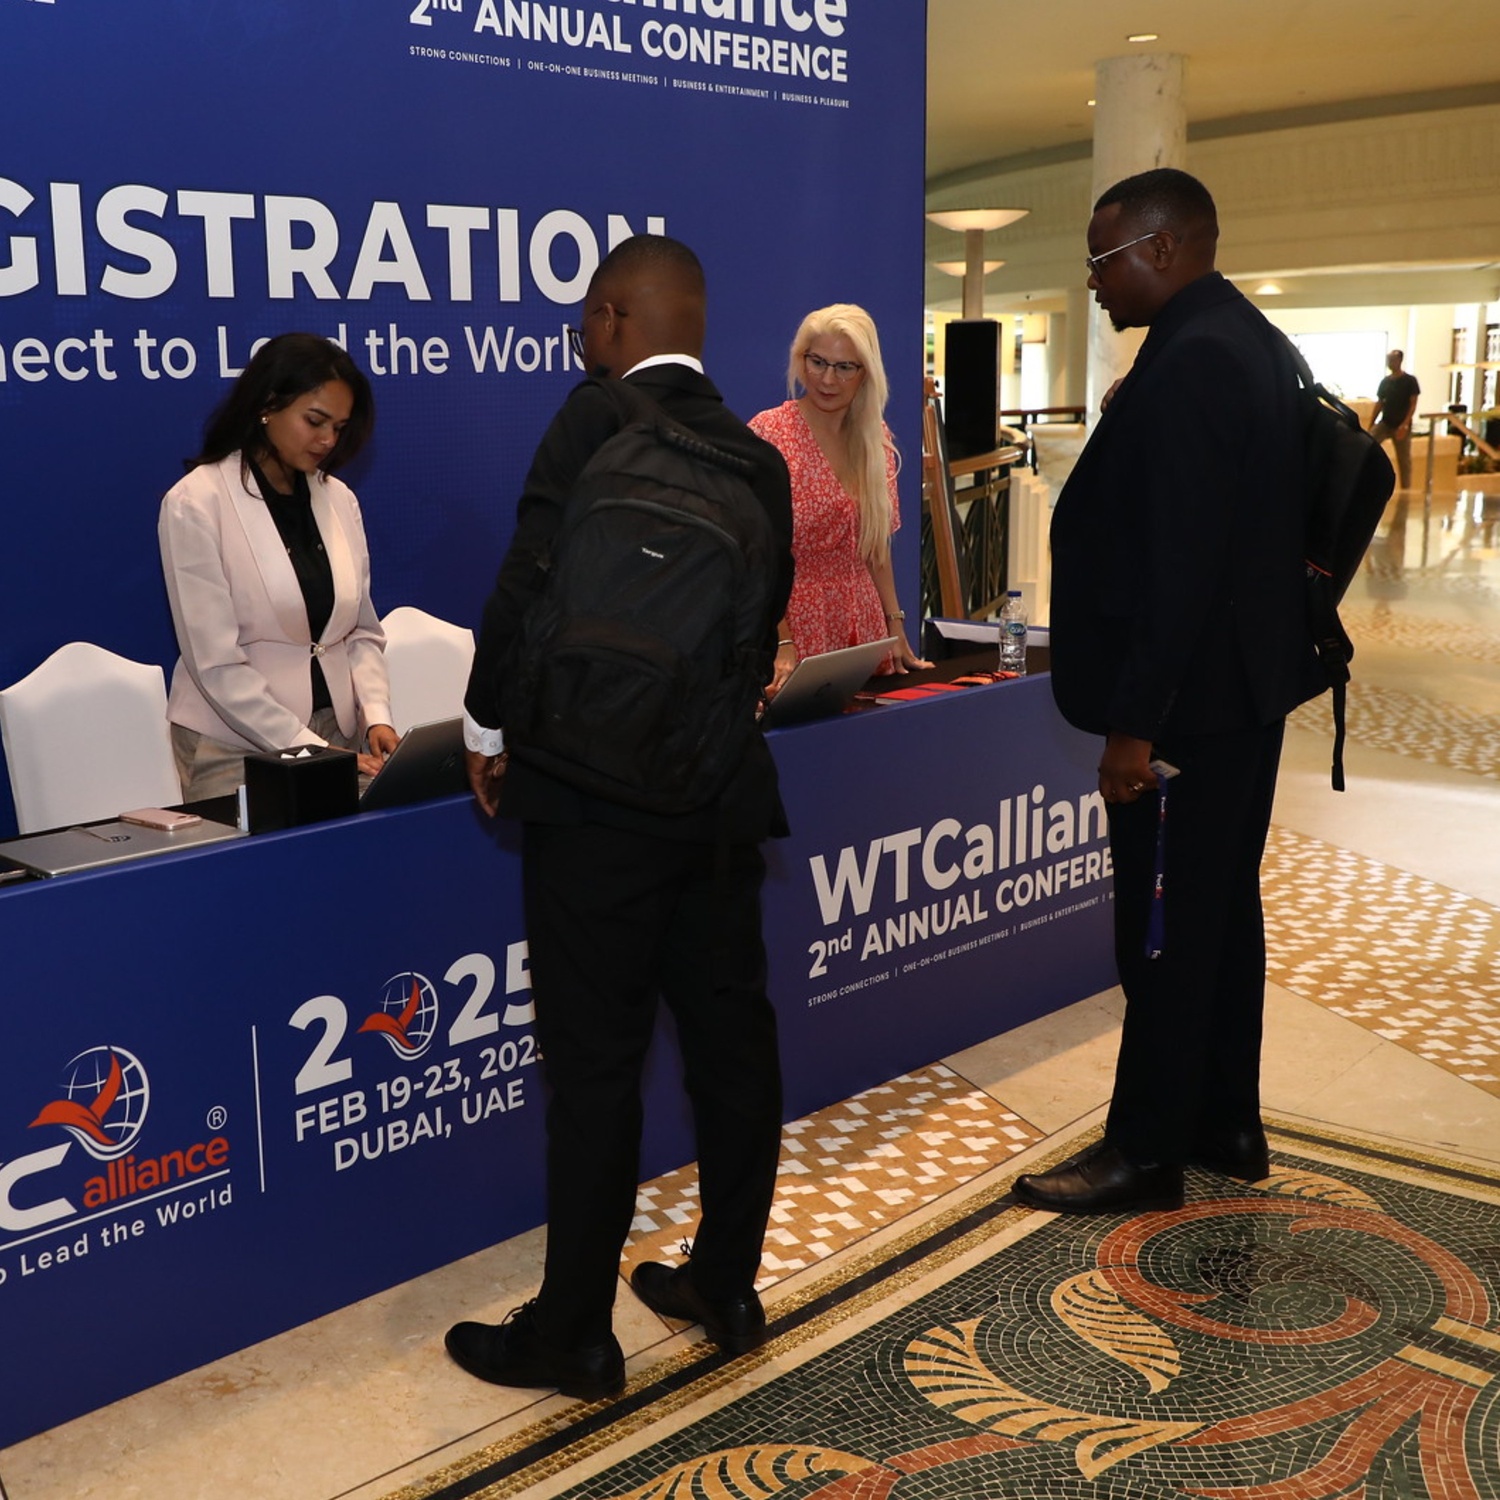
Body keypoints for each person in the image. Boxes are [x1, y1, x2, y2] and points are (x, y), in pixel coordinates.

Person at [446, 235, 794, 1401]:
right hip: (715, 802)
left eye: (583, 322)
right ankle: (727, 1283)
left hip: (590, 807)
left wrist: (491, 733)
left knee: (595, 1072)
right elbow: (758, 640)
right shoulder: (757, 458)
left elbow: (524, 585)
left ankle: (574, 1335)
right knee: (730, 1045)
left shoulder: (590, 421)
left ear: (608, 318)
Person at [1014, 168, 1324, 1216]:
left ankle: (1144, 1151)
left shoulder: (1193, 362)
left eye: (1102, 260)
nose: (1094, 282)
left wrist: (1131, 732)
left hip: (1186, 711)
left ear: (1161, 248)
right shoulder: (1247, 341)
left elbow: (1178, 572)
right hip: (1244, 694)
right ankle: (1227, 1123)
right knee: (1219, 913)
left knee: (1159, 933)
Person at [159, 334, 395, 802]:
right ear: (267, 405)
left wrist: (377, 713)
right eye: (315, 421)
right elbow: (216, 664)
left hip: (339, 737)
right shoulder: (196, 502)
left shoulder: (340, 498)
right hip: (234, 747)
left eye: (339, 427)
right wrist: (309, 748)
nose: (328, 440)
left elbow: (360, 631)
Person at [749, 304, 928, 691]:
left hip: (862, 627)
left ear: (866, 373)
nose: (828, 379)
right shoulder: (769, 434)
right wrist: (781, 639)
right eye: (818, 362)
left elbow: (876, 545)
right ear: (801, 360)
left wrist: (894, 625)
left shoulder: (874, 438)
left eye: (845, 366)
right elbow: (756, 553)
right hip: (793, 626)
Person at [1369, 348, 1420, 490]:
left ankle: (1406, 489)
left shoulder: (1410, 381)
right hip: (1386, 423)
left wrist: (1404, 424)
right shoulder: (1385, 382)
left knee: (1404, 460)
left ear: (1399, 361)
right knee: (1368, 444)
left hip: (1401, 424)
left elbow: (1413, 404)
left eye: (1392, 360)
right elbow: (1380, 403)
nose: (1390, 363)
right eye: (1388, 360)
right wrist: (1371, 423)